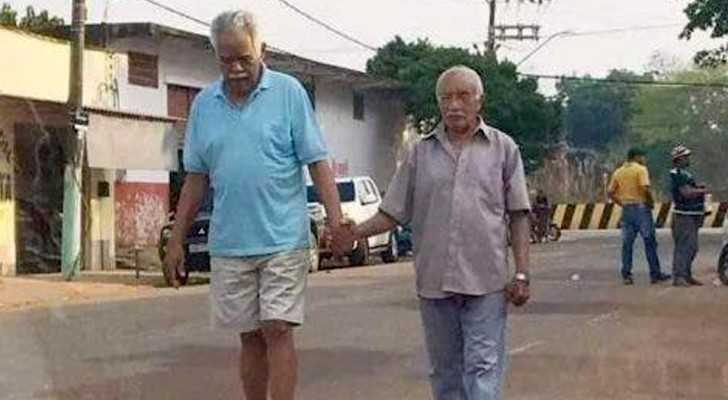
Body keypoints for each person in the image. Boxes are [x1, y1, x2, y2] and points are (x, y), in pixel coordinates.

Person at [162, 10, 350, 400]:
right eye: (225, 59)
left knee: (277, 328)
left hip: (283, 238)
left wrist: (335, 220)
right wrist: (176, 239)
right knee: (249, 336)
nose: (235, 68)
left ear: (261, 49)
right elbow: (196, 178)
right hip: (230, 242)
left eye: (244, 58)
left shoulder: (289, 94)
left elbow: (317, 161)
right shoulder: (204, 105)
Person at [349, 65, 531, 400]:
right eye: (446, 97)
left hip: (487, 281)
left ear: (480, 101)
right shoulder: (420, 152)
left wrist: (521, 272)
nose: (454, 105)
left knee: (482, 368)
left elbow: (519, 214)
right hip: (435, 283)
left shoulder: (503, 149)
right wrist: (355, 232)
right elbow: (393, 211)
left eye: (463, 96)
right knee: (445, 374)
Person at [608, 148, 671, 285]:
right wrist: (650, 202)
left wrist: (622, 203)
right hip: (641, 209)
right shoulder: (641, 170)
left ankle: (626, 275)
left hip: (626, 210)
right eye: (643, 157)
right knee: (649, 241)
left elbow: (610, 192)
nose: (644, 159)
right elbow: (644, 188)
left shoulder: (618, 172)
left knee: (627, 243)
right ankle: (655, 273)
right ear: (637, 157)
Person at [670, 144, 708, 287]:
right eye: (685, 157)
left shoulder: (685, 174)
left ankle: (686, 274)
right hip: (683, 215)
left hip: (692, 213)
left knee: (691, 247)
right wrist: (701, 191)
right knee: (684, 246)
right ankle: (679, 276)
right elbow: (686, 192)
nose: (688, 159)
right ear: (679, 159)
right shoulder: (677, 174)